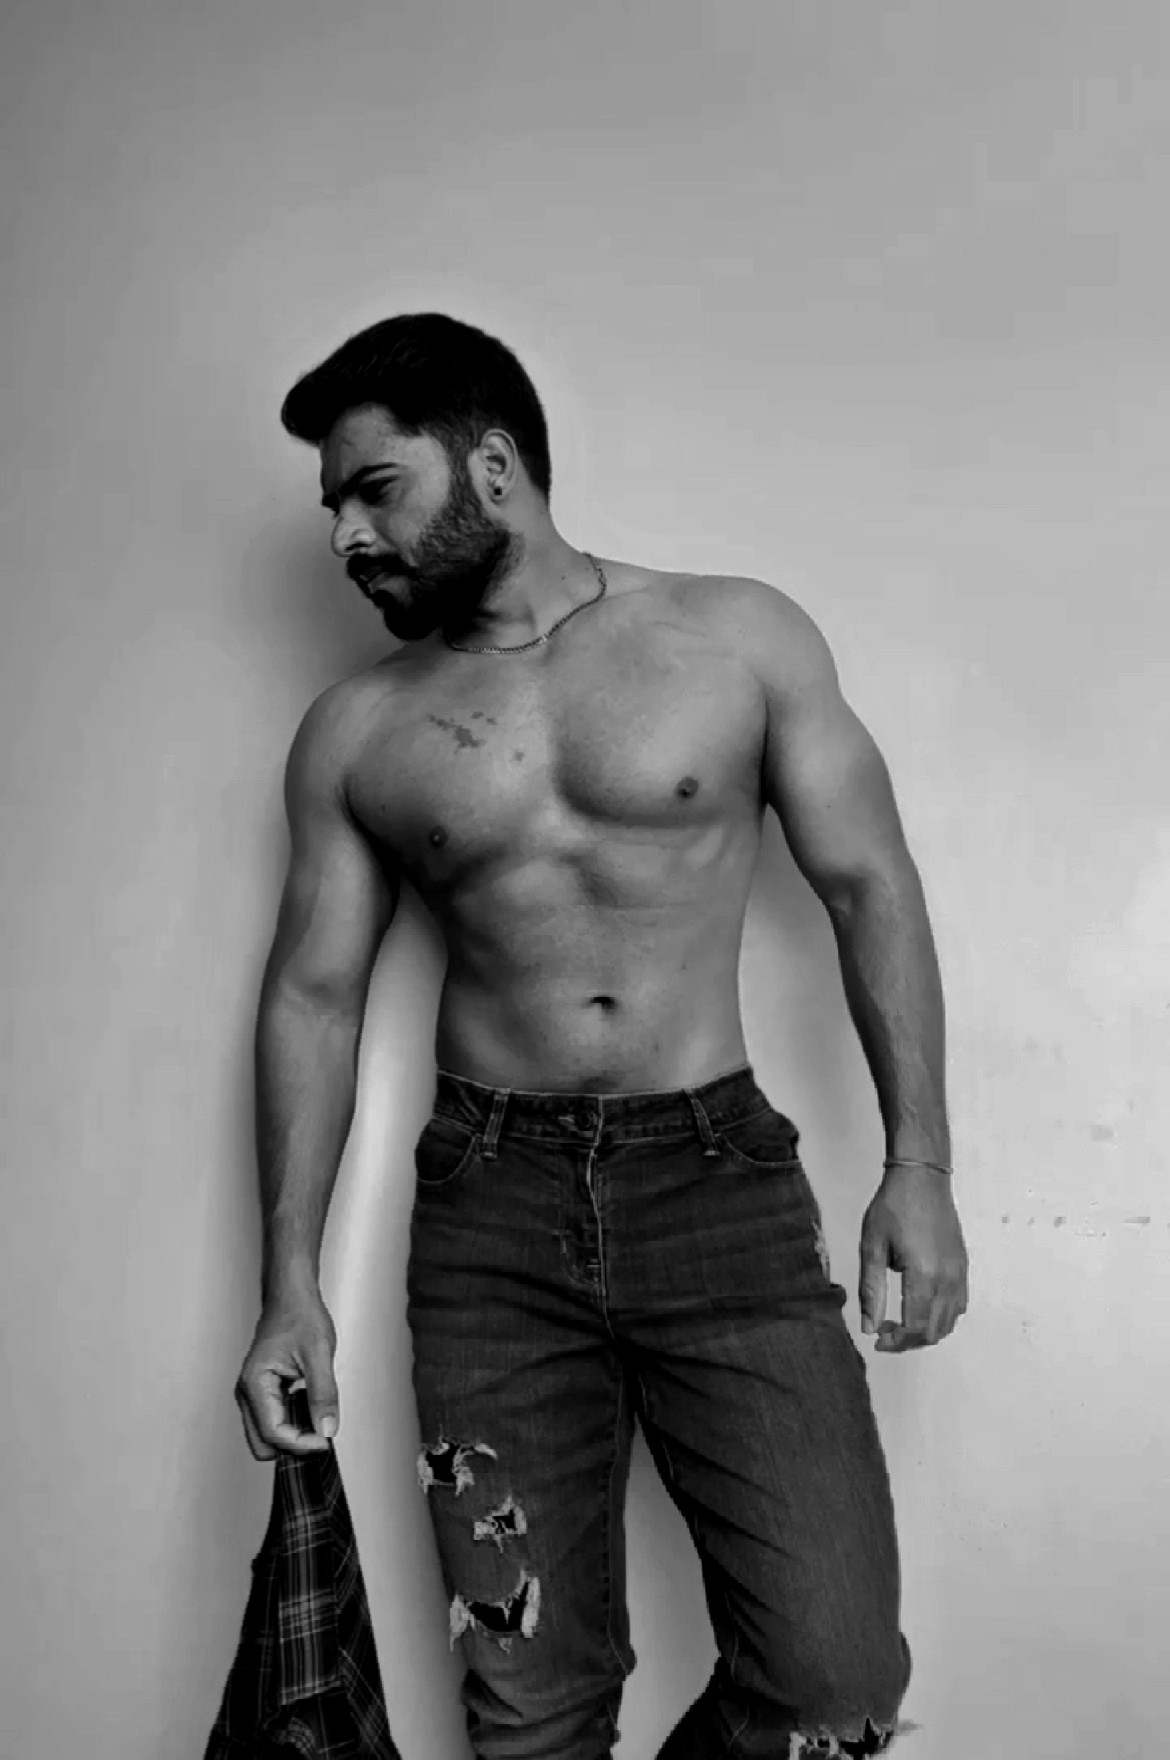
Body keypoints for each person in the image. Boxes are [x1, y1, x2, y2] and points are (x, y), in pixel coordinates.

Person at [234, 313, 969, 1759]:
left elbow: (868, 884)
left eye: (374, 489)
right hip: (488, 1219)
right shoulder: (356, 729)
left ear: (492, 465)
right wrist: (286, 1286)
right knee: (528, 1704)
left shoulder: (735, 637)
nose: (346, 538)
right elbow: (311, 997)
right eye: (332, 507)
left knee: (833, 1685)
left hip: (718, 1189)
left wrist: (920, 1165)